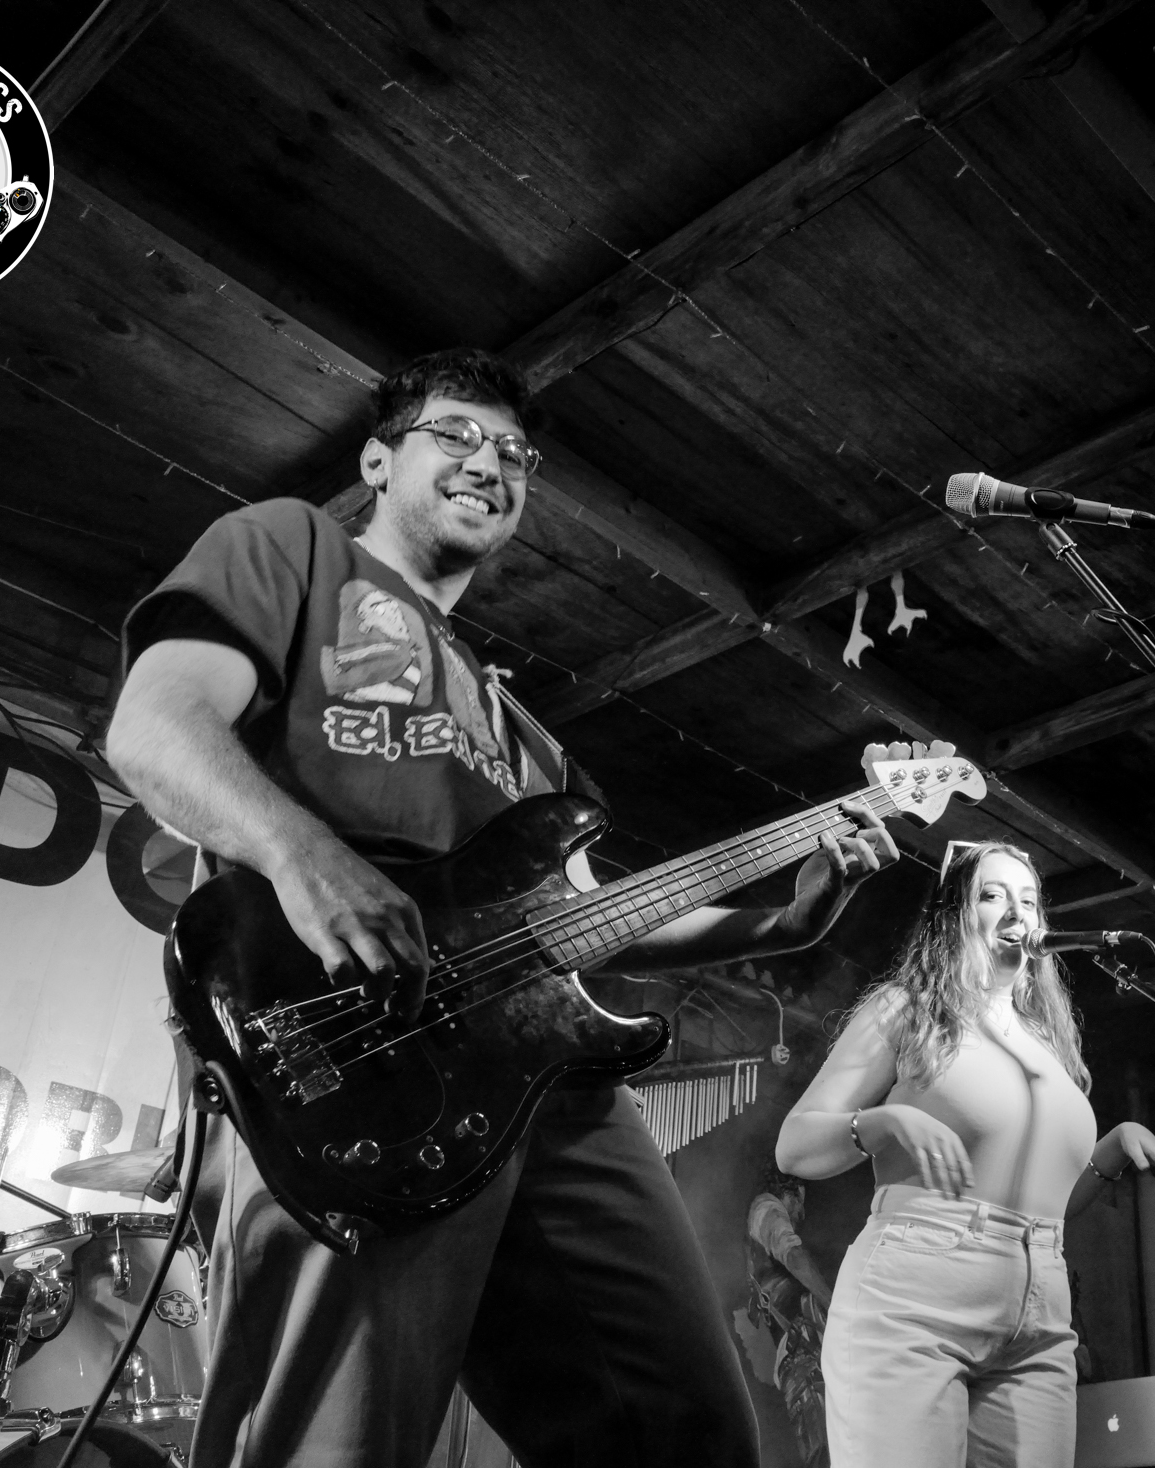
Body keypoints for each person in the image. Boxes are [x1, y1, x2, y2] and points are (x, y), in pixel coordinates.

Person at [104, 347, 902, 1468]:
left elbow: (585, 919)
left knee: (688, 1431)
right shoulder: (293, 546)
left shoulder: (525, 734)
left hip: (548, 1083)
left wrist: (786, 922)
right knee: (340, 1440)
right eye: (456, 434)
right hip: (348, 1042)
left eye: (515, 453)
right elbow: (155, 726)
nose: (491, 462)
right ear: (377, 461)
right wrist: (303, 854)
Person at [774, 840, 1155, 1468]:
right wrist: (884, 1122)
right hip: (914, 1298)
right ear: (954, 917)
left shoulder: (1048, 1042)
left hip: (1040, 1313)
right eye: (992, 895)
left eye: (1029, 900)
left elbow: (1041, 1209)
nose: (1017, 911)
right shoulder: (907, 1009)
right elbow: (794, 1147)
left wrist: (1112, 1149)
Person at [741, 1168, 833, 1468]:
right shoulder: (765, 1207)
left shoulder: (756, 1254)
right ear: (789, 1193)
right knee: (827, 1453)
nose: (800, 1216)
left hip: (798, 1359)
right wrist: (833, 1306)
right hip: (802, 1359)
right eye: (799, 1206)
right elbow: (792, 1254)